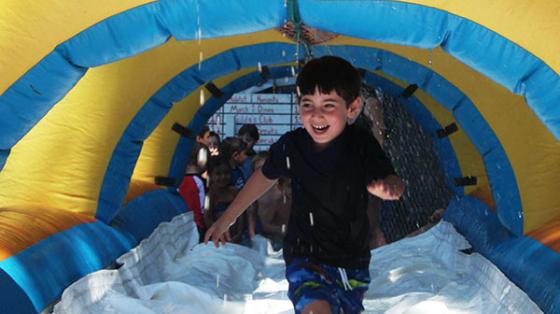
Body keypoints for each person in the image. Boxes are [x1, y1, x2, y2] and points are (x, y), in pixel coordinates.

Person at [204, 56, 405, 314]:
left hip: (352, 262)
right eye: (307, 104)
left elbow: (391, 178)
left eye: (328, 105)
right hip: (305, 256)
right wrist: (228, 218)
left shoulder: (361, 144)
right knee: (315, 307)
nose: (316, 114)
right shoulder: (292, 145)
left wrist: (391, 188)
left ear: (353, 108)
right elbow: (263, 177)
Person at [248, 152, 291, 250]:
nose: (262, 173)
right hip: (269, 237)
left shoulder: (285, 187)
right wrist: (252, 236)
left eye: (265, 168)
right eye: (258, 170)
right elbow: (251, 214)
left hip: (286, 235)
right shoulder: (254, 192)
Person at [203, 156, 245, 244]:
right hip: (217, 239)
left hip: (236, 237)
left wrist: (239, 233)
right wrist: (217, 235)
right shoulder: (210, 196)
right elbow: (207, 219)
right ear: (210, 175)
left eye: (226, 173)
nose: (223, 177)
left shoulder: (234, 192)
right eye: (218, 174)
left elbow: (241, 215)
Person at [177, 142, 209, 242]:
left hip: (180, 225)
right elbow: (203, 208)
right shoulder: (198, 181)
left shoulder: (177, 181)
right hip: (196, 226)